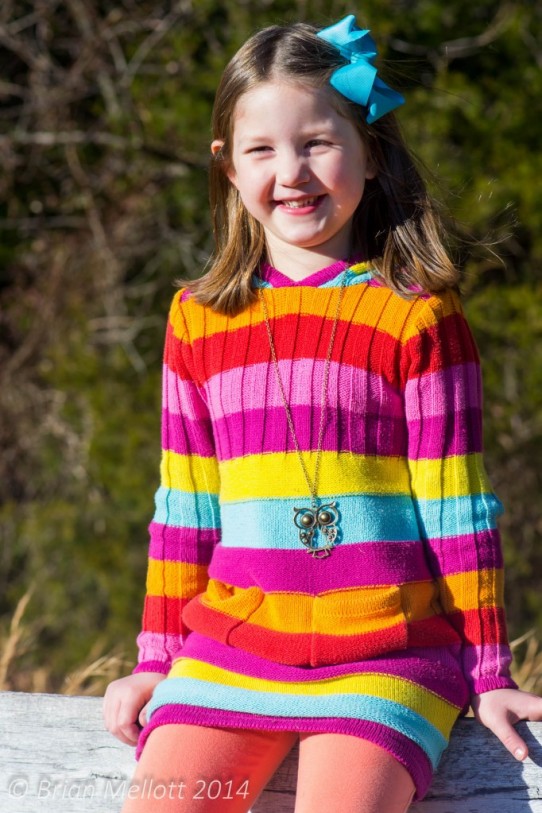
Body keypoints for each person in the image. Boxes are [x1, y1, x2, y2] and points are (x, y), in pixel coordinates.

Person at [103, 13, 542, 813]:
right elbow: (185, 511)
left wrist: (490, 673)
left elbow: (459, 511)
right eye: (262, 149)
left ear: (370, 152)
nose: (293, 172)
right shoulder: (198, 320)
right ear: (228, 168)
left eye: (317, 142)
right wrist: (156, 656)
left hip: (386, 657)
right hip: (229, 656)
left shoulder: (417, 317)